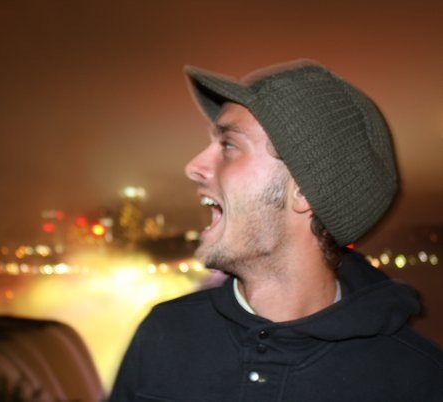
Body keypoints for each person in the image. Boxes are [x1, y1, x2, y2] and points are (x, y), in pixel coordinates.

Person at [109, 60, 442, 401]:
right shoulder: (165, 333)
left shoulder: (417, 381)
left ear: (303, 192)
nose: (194, 167)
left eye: (229, 146)